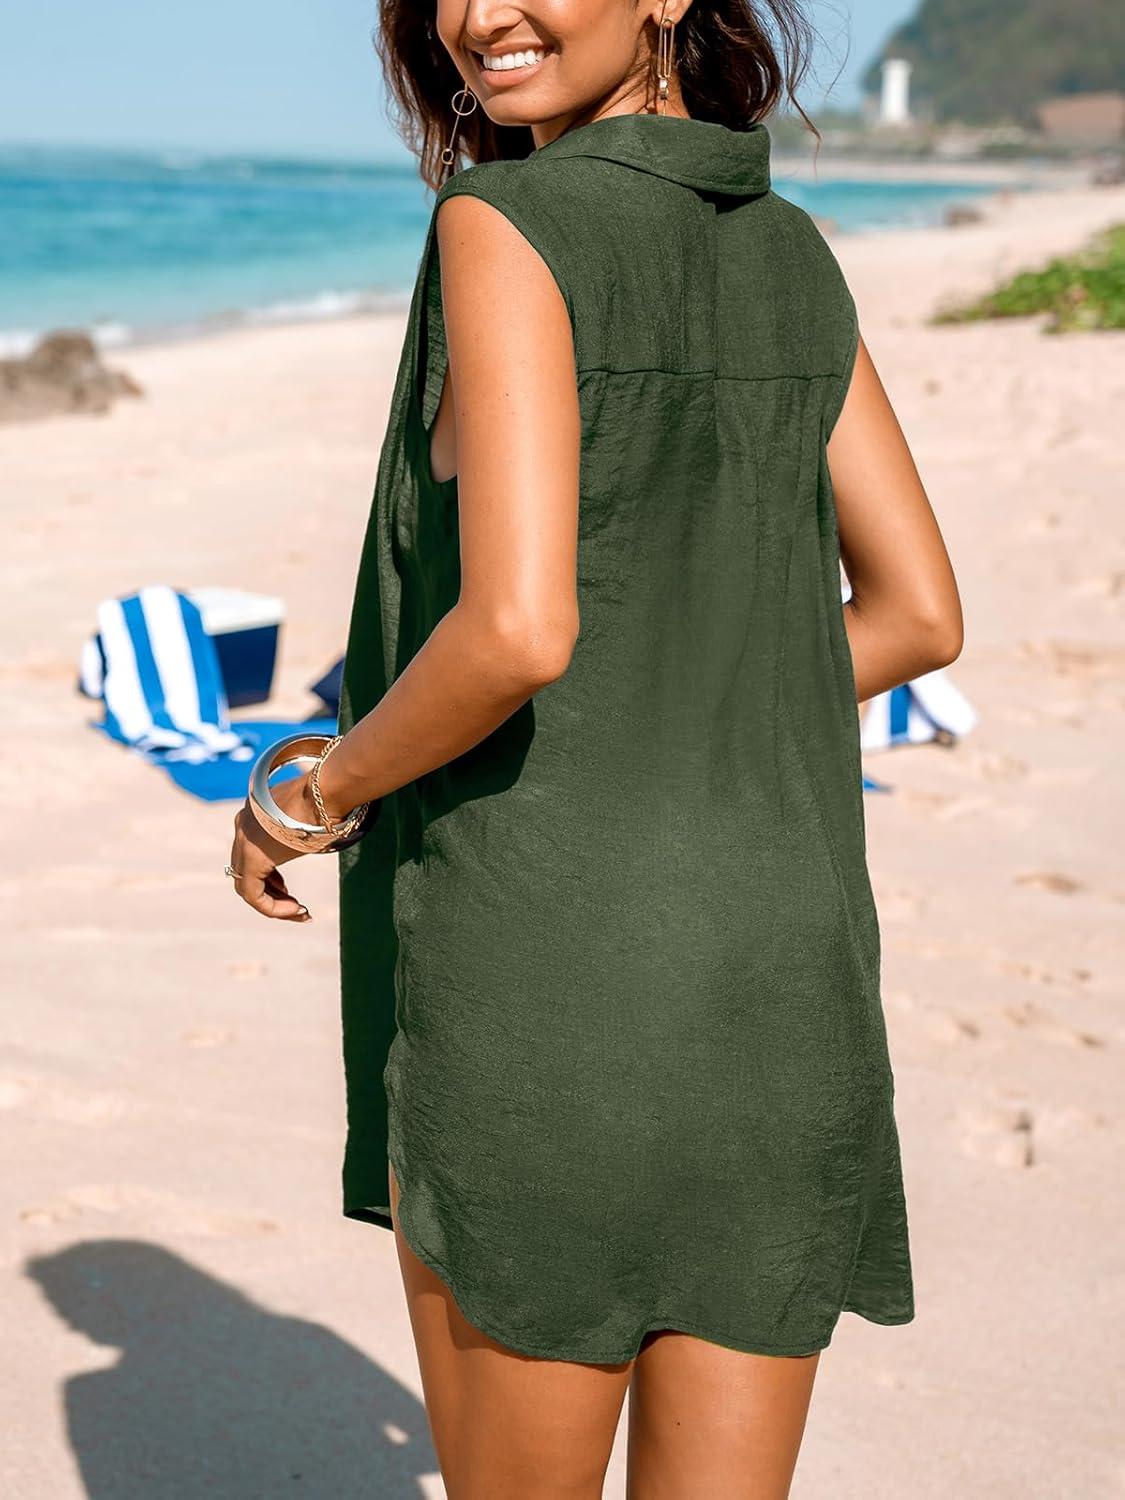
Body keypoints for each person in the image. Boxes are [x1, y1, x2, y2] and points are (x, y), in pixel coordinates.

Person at [229, 1, 963, 1494]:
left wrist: (315, 791)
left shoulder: (506, 225)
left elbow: (514, 630)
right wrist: (687, 691)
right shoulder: (793, 254)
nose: (475, 16)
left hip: (552, 985)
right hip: (783, 985)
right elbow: (919, 616)